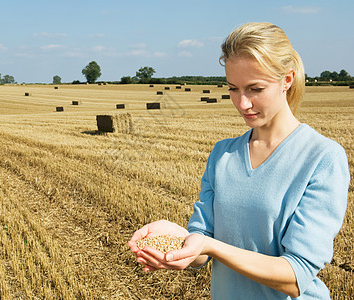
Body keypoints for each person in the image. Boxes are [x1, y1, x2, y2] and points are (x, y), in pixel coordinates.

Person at [128, 22, 350, 299]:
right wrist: (177, 241)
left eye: (255, 89)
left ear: (288, 79)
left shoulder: (322, 158)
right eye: (233, 88)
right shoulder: (222, 155)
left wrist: (212, 246)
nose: (242, 103)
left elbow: (296, 276)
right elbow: (200, 247)